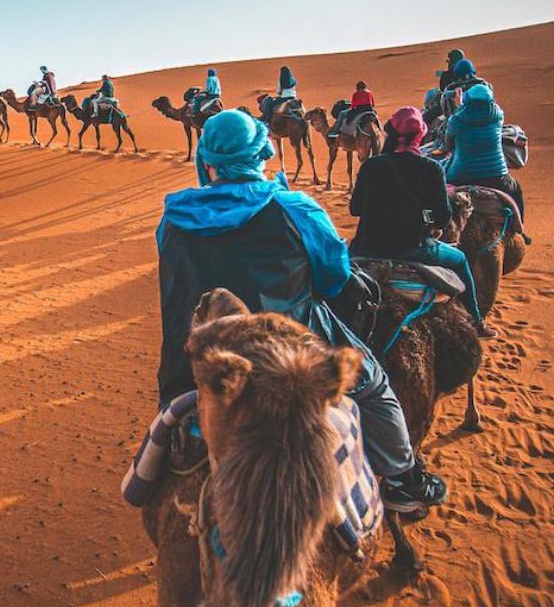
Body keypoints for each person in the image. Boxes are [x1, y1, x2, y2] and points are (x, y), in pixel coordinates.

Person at [156, 109, 448, 513]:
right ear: (263, 153)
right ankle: (402, 480)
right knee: (375, 385)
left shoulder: (172, 219)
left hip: (196, 361)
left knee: (175, 413)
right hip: (293, 356)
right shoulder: (296, 209)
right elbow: (334, 279)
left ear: (205, 161)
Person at [349, 107, 495, 337]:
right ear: (420, 137)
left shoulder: (371, 166)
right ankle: (476, 321)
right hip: (414, 249)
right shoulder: (431, 169)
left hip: (366, 247)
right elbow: (443, 218)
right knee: (460, 260)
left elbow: (354, 209)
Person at [443, 68, 524, 220]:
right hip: (496, 174)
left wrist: (459, 105)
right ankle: (519, 227)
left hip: (460, 175)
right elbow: (478, 116)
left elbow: (448, 144)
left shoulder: (456, 120)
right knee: (515, 189)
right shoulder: (497, 115)